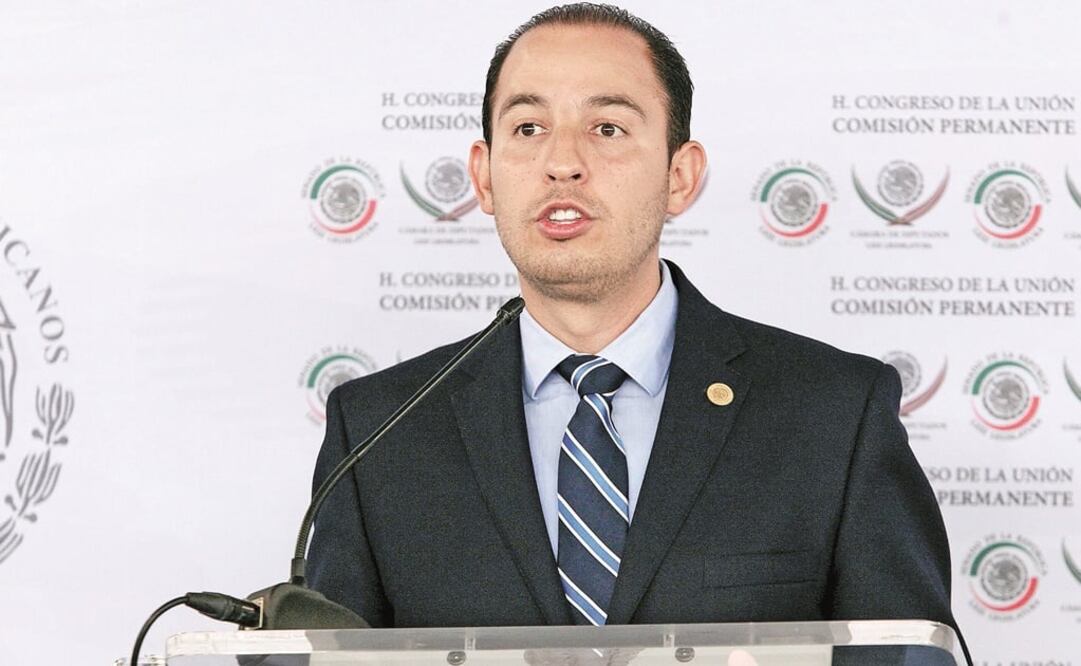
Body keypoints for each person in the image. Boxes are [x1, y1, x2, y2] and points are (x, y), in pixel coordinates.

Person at [309, 3, 968, 661]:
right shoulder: (375, 432)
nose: (562, 163)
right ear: (483, 176)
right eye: (529, 127)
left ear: (679, 176)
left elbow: (903, 654)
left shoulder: (834, 413)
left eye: (607, 128)